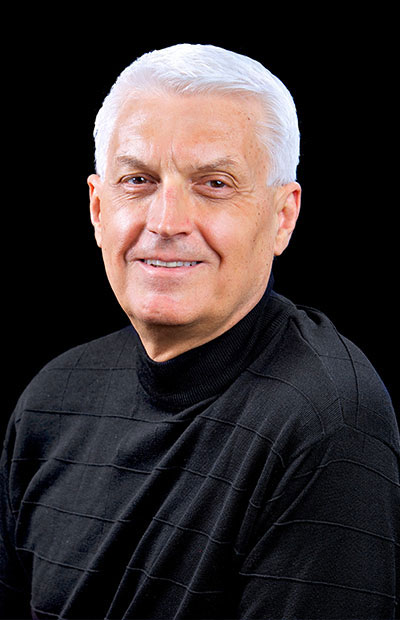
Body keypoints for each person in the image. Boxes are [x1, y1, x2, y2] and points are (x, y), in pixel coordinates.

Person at [0, 44, 398, 620]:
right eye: (137, 180)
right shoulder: (51, 401)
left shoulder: (325, 420)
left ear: (283, 216)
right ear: (97, 207)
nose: (165, 222)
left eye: (213, 184)